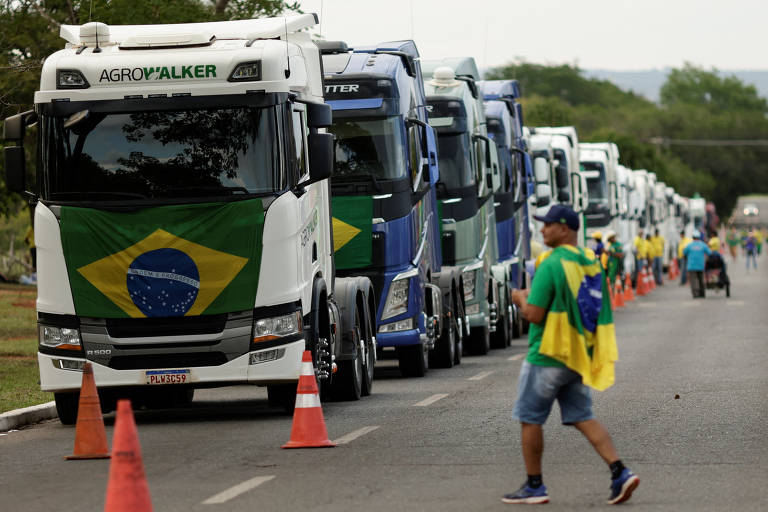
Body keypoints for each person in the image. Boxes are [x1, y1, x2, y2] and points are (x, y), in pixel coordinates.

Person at [506, 205, 639, 506]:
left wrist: (519, 299)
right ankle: (620, 471)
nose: (542, 230)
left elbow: (535, 315)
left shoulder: (551, 263)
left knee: (529, 418)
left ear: (564, 228)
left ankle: (534, 485)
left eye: (548, 225)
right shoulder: (589, 261)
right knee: (582, 416)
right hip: (577, 353)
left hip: (547, 353)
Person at [683, 233, 711, 298]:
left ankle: (695, 294)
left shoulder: (689, 245)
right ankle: (702, 293)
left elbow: (684, 253)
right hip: (701, 266)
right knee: (701, 280)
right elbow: (709, 253)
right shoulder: (703, 245)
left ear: (693, 238)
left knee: (693, 281)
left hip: (691, 266)